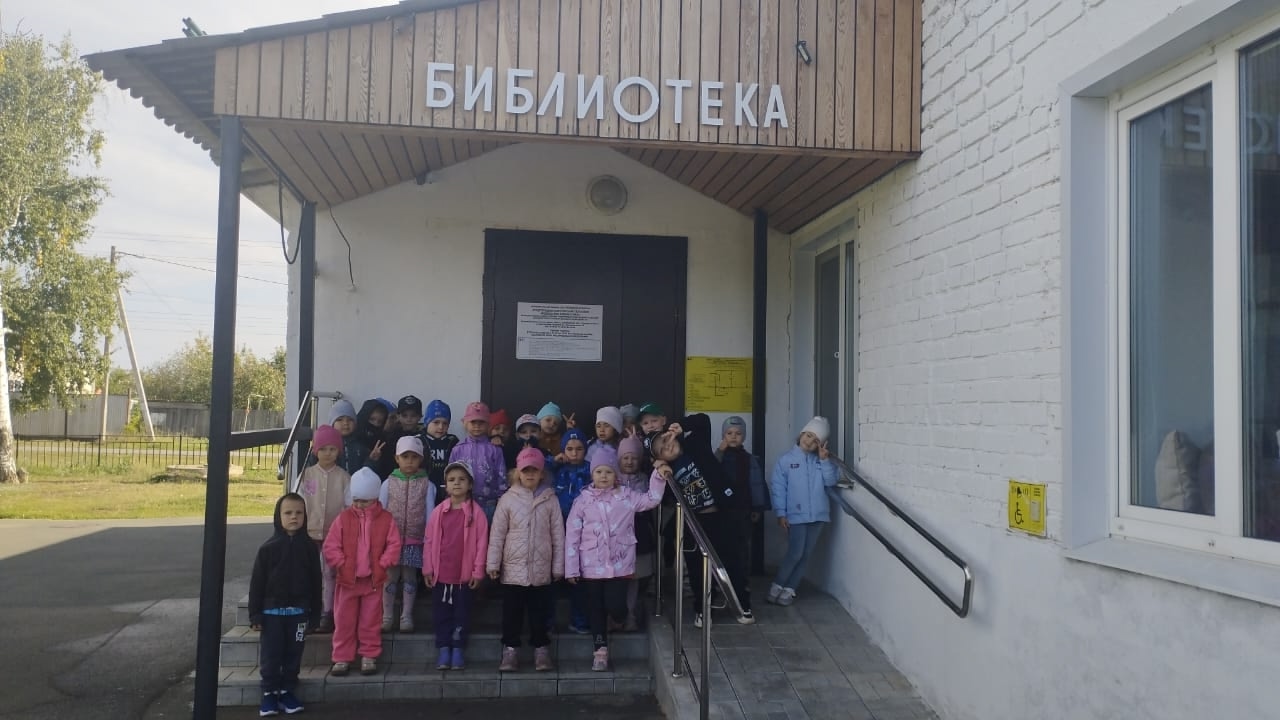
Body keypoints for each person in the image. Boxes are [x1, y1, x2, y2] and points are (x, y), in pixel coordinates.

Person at [649, 413, 754, 627]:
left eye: (666, 439)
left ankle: (742, 604)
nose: (667, 446)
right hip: (695, 522)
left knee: (733, 561)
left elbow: (703, 420)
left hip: (723, 514)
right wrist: (658, 467)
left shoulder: (695, 444)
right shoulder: (668, 471)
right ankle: (703, 608)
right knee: (698, 568)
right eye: (661, 449)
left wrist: (679, 425)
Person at [565, 447, 665, 671]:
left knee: (616, 605)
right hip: (591, 566)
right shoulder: (582, 501)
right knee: (595, 608)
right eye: (599, 472)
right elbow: (572, 535)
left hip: (619, 566)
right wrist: (571, 568)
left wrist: (658, 476)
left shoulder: (626, 496)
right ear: (592, 474)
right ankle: (600, 650)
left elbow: (652, 499)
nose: (603, 476)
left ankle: (618, 619)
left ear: (616, 474)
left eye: (608, 472)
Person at [487, 447, 565, 672]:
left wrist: (558, 566)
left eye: (535, 470)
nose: (530, 474)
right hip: (513, 570)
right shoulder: (507, 499)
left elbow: (558, 535)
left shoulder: (550, 499)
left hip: (541, 570)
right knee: (512, 613)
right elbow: (498, 534)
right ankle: (510, 650)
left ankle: (541, 649)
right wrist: (493, 563)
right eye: (525, 470)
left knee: (539, 613)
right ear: (517, 473)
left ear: (542, 473)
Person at [323, 468, 401, 677]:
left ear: (375, 498)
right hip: (347, 580)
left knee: (370, 621)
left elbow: (394, 544)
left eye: (364, 501)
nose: (359, 505)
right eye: (356, 500)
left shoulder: (386, 519)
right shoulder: (343, 518)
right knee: (344, 621)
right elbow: (331, 545)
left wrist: (384, 563)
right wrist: (341, 563)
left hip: (373, 581)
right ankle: (341, 657)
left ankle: (369, 654)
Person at [248, 493, 322, 716]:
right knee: (271, 654)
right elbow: (257, 583)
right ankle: (269, 693)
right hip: (272, 614)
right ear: (278, 516)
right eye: (288, 513)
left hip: (299, 614)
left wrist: (315, 616)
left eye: (299, 513)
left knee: (293, 654)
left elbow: (316, 583)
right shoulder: (267, 549)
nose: (293, 517)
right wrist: (255, 614)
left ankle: (287, 691)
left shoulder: (310, 548)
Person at [423, 461, 490, 671]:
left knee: (462, 614)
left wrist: (478, 571)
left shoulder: (476, 513)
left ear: (470, 485)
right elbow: (429, 541)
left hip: (463, 578)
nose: (457, 483)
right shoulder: (438, 512)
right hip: (441, 576)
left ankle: (458, 648)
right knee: (441, 614)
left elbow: (482, 544)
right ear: (446, 485)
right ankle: (444, 648)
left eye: (462, 479)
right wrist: (428, 569)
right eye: (452, 480)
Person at [768, 416, 838, 607]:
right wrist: (781, 513)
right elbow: (778, 488)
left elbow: (830, 481)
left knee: (806, 555)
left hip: (818, 516)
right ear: (801, 435)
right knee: (795, 553)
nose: (809, 441)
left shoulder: (820, 461)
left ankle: (789, 589)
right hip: (796, 515)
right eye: (808, 435)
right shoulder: (786, 460)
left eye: (816, 440)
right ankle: (777, 586)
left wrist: (825, 461)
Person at [378, 436, 436, 633]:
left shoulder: (427, 484)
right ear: (397, 458)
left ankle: (406, 616)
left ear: (421, 459)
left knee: (410, 578)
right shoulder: (388, 483)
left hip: (414, 539)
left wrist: (428, 539)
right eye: (405, 457)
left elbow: (430, 513)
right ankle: (387, 616)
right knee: (390, 577)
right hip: (391, 541)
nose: (409, 461)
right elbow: (381, 511)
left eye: (414, 457)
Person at [296, 424, 350, 634]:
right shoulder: (306, 475)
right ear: (315, 450)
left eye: (333, 449)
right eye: (323, 449)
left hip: (333, 535)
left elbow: (349, 506)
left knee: (330, 573)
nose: (328, 453)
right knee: (311, 572)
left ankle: (327, 613)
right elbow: (298, 501)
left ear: (339, 451)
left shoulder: (344, 477)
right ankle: (310, 611)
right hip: (309, 533)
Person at [717, 416, 770, 582]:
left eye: (738, 433)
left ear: (744, 436)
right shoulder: (719, 457)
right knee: (723, 546)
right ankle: (723, 581)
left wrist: (757, 508)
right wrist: (719, 451)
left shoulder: (750, 459)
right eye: (729, 433)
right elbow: (710, 471)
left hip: (743, 510)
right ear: (723, 436)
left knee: (742, 547)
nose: (733, 436)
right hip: (723, 511)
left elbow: (757, 485)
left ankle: (741, 580)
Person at [617, 435, 654, 630]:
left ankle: (630, 615)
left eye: (634, 458)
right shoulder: (612, 478)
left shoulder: (644, 479)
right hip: (616, 536)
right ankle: (616, 616)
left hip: (638, 533)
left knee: (633, 579)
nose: (629, 462)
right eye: (625, 457)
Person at [449, 402, 507, 524]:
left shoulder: (495, 449)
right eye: (473, 422)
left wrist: (502, 499)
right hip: (463, 503)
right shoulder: (457, 449)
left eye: (481, 422)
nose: (477, 426)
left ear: (488, 424)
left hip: (489, 505)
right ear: (464, 423)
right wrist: (451, 498)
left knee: (486, 534)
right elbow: (450, 476)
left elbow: (501, 476)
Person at [367, 395, 425, 479]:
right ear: (398, 416)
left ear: (420, 417)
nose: (409, 419)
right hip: (393, 480)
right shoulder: (390, 438)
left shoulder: (424, 438)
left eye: (413, 415)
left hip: (419, 479)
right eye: (404, 415)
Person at [420, 399, 459, 505]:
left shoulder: (452, 441)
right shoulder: (418, 441)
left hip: (447, 491)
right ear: (427, 422)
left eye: (445, 423)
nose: (441, 427)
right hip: (423, 490)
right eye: (436, 422)